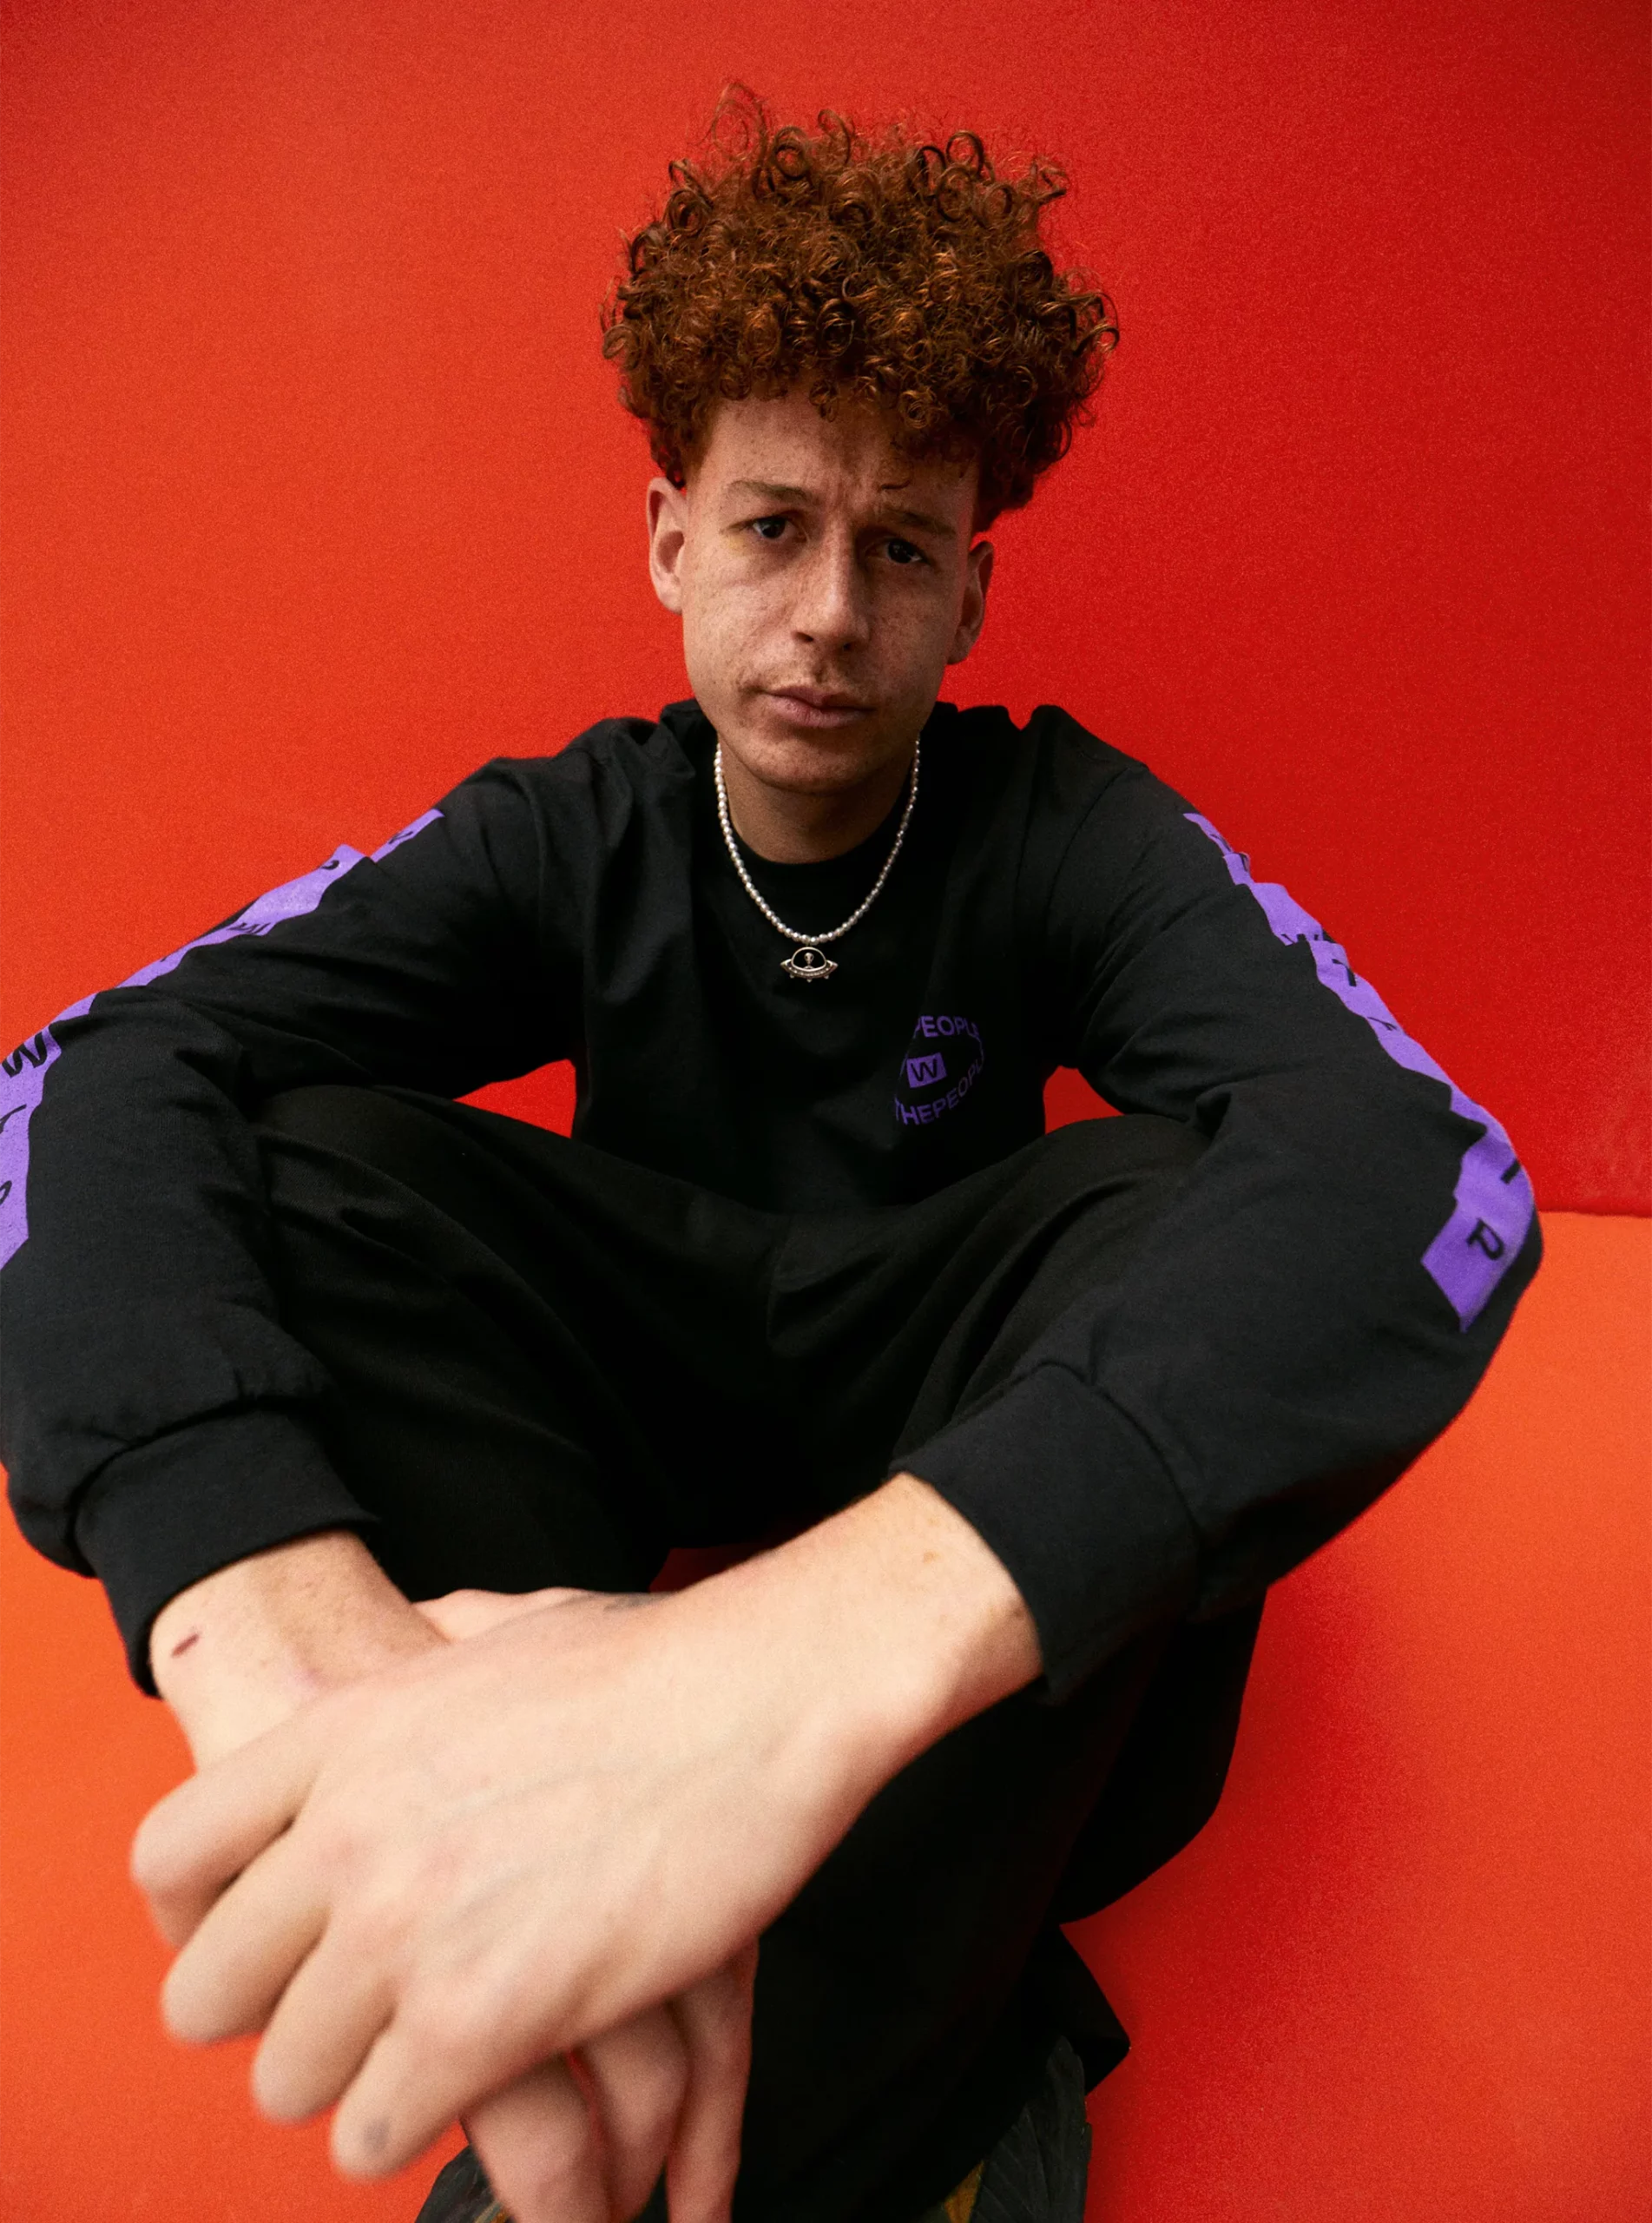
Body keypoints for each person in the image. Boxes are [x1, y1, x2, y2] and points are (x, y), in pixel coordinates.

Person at [0, 94, 1538, 2223]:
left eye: (899, 547)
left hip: (943, 1462)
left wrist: (772, 1667)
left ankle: (885, 2050)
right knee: (281, 1151)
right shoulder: (572, 831)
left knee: (1193, 1196)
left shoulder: (1059, 826)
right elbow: (79, 1067)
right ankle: (523, 1781)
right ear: (666, 542)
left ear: (972, 593)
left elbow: (1433, 1168)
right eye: (770, 527)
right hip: (623, 1443)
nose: (828, 610)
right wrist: (277, 1628)